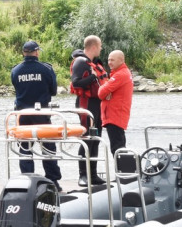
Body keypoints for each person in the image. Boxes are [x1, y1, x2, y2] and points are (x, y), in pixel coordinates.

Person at [10, 40, 61, 183]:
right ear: (37, 52)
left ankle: (28, 179)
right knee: (48, 147)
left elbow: (16, 88)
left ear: (23, 53)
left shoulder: (16, 70)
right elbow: (54, 91)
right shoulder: (46, 69)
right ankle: (53, 180)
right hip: (41, 114)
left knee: (25, 148)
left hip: (23, 114)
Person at [70, 35, 109, 186]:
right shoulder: (81, 62)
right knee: (86, 139)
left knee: (96, 140)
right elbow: (76, 82)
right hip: (85, 104)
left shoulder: (93, 63)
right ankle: (82, 175)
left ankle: (93, 174)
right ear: (93, 47)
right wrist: (92, 78)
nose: (101, 48)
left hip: (96, 104)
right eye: (99, 46)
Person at [97, 49, 133, 155]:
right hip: (116, 115)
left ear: (121, 60)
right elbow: (104, 92)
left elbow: (101, 93)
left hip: (115, 115)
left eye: (112, 60)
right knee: (118, 147)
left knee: (117, 148)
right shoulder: (119, 73)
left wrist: (104, 89)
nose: (109, 62)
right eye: (108, 60)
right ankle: (124, 170)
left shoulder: (120, 75)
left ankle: (124, 171)